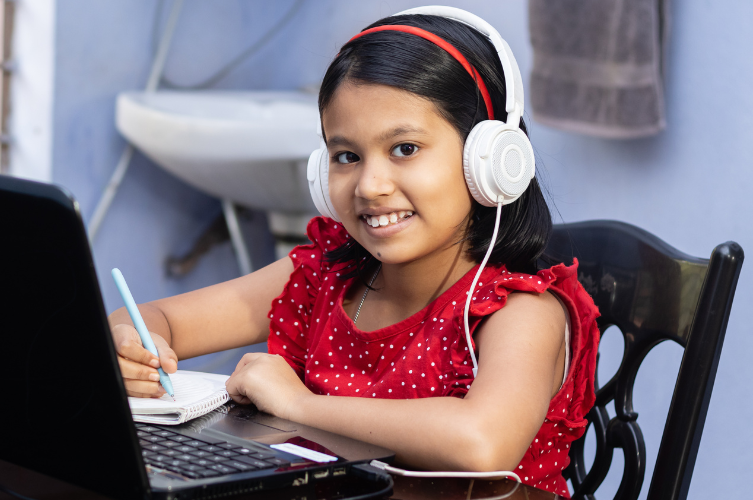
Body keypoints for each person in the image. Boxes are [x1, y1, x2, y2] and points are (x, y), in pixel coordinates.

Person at [108, 8, 599, 498]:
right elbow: (156, 319)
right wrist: (132, 345)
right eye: (347, 157)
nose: (371, 185)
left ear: (487, 161)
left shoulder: (520, 312)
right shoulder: (322, 278)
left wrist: (298, 405)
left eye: (404, 149)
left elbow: (481, 442)